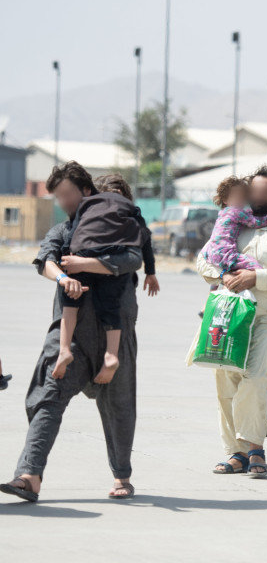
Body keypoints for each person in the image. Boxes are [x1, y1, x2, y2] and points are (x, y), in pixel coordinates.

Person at [0, 161, 142, 502]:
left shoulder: (128, 238)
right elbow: (45, 259)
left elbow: (132, 260)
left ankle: (121, 475)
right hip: (69, 336)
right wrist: (63, 277)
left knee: (119, 408)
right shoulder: (64, 232)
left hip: (115, 338)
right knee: (46, 398)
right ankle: (29, 476)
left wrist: (84, 265)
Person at [196, 165, 267, 478]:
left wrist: (256, 276)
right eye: (252, 191)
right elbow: (204, 261)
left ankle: (255, 447)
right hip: (228, 319)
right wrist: (226, 275)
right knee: (226, 384)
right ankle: (236, 453)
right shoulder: (232, 222)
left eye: (263, 191)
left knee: (255, 379)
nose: (257, 196)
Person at [52, 190, 151, 383]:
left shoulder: (89, 207)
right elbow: (144, 243)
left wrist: (68, 251)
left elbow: (74, 233)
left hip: (83, 256)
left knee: (70, 303)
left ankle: (64, 350)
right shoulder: (131, 214)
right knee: (111, 308)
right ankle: (111, 355)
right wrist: (151, 272)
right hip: (113, 264)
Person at [94, 174, 160, 297]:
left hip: (122, 280)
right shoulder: (91, 217)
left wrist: (150, 272)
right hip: (94, 279)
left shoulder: (132, 216)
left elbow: (145, 243)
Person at [202, 175, 267, 274]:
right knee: (255, 266)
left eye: (242, 197)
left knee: (222, 275)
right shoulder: (236, 212)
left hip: (211, 253)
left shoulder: (223, 213)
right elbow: (256, 222)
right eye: (235, 196)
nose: (239, 200)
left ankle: (214, 289)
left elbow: (247, 214)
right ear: (225, 199)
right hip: (226, 253)